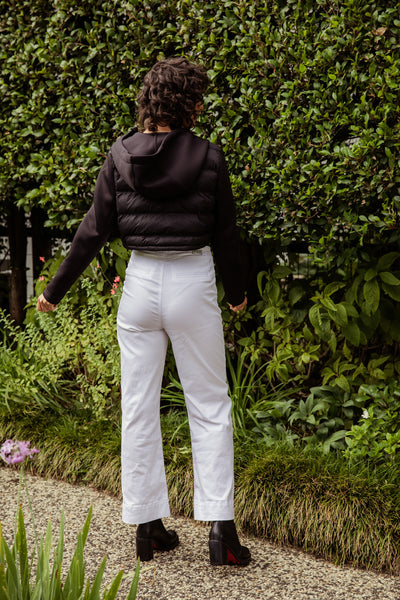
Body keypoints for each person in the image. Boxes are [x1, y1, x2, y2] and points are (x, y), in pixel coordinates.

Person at [37, 57, 250, 566]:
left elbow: (93, 229)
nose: (202, 105)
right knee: (209, 404)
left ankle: (147, 525)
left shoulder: (119, 154)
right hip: (192, 281)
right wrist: (237, 291)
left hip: (140, 284)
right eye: (198, 97)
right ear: (186, 102)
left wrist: (55, 290)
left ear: (150, 101)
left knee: (138, 405)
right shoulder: (210, 156)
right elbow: (226, 233)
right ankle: (221, 531)